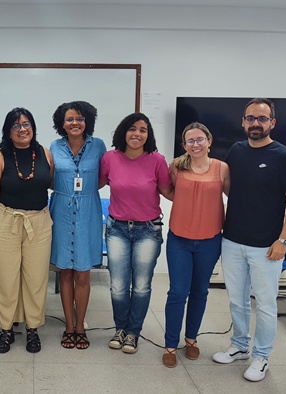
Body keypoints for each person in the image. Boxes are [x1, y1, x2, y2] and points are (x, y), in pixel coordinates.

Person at [212, 98, 286, 382]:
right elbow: (230, 188)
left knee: (264, 304)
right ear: (243, 121)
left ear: (272, 123)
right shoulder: (236, 151)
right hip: (233, 241)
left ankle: (262, 356)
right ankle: (240, 346)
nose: (255, 123)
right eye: (250, 118)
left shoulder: (284, 156)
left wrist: (283, 241)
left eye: (262, 119)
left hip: (267, 247)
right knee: (236, 301)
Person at [99, 112, 173, 355]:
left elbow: (168, 191)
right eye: (132, 128)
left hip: (148, 231)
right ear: (123, 131)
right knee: (118, 286)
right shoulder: (110, 158)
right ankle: (120, 329)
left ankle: (133, 332)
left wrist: (197, 185)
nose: (137, 134)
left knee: (141, 286)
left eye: (143, 130)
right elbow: (95, 184)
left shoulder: (157, 160)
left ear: (148, 135)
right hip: (117, 229)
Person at [0, 107, 54, 354]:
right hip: (6, 222)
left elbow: (51, 184)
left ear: (33, 127)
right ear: (8, 131)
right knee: (7, 278)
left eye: (26, 124)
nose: (22, 129)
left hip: (39, 222)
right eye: (16, 125)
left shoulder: (45, 153)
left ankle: (33, 329)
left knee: (36, 279)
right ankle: (6, 329)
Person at [162, 122, 229, 368]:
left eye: (200, 139)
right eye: (190, 141)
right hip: (179, 238)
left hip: (210, 240)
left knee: (200, 291)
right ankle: (170, 343)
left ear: (209, 141)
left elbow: (235, 196)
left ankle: (191, 339)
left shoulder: (222, 169)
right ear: (184, 145)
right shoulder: (176, 167)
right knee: (178, 292)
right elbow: (166, 190)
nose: (195, 144)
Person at [50, 101, 106, 350]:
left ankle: (80, 327)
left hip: (88, 212)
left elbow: (104, 178)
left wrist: (83, 194)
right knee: (65, 271)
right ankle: (68, 326)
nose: (75, 123)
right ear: (62, 123)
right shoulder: (54, 146)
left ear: (87, 121)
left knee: (83, 272)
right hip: (60, 211)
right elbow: (50, 178)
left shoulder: (99, 146)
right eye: (70, 119)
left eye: (80, 118)